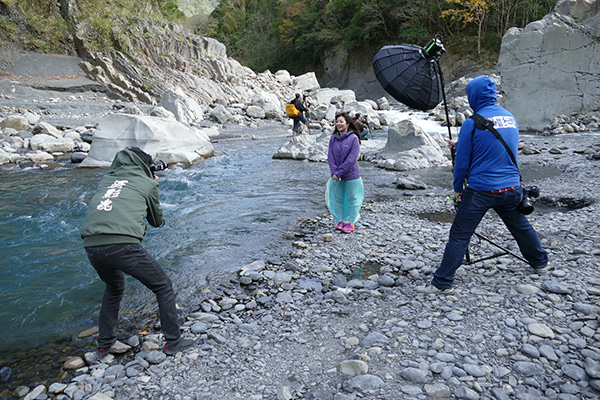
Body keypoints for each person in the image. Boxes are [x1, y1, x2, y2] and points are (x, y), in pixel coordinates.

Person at [425, 76, 549, 295]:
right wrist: (462, 141)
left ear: (475, 96)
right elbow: (497, 146)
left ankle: (443, 282)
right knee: (520, 227)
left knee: (460, 235)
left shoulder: (472, 123)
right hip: (511, 188)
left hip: (481, 191)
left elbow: (462, 163)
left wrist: (457, 188)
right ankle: (540, 263)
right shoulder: (510, 118)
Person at [81, 147, 194, 356]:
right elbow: (156, 221)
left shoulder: (106, 182)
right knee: (163, 286)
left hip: (91, 245)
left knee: (114, 288)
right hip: (122, 245)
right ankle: (173, 342)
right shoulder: (147, 182)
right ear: (145, 166)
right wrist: (154, 184)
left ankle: (104, 345)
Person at [326, 112, 364, 233]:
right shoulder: (333, 138)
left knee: (353, 198)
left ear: (347, 123)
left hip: (351, 174)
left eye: (341, 121)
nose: (338, 124)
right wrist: (334, 172)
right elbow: (330, 156)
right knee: (337, 198)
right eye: (337, 121)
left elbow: (352, 158)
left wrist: (340, 172)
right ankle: (340, 220)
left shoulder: (353, 138)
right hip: (336, 175)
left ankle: (351, 222)